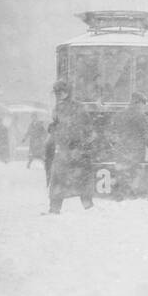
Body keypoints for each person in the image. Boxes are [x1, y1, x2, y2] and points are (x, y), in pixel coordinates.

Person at [47, 80, 94, 213]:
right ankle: (55, 208)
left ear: (68, 92)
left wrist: (80, 144)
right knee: (59, 181)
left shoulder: (78, 108)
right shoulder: (58, 108)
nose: (58, 95)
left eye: (60, 92)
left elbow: (87, 128)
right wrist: (53, 128)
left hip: (76, 149)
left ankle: (88, 208)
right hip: (65, 150)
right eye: (56, 93)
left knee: (78, 180)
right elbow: (57, 124)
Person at [111, 92, 148, 199]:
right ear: (138, 103)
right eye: (143, 104)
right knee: (134, 172)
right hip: (135, 149)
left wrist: (116, 144)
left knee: (121, 171)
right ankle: (131, 193)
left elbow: (112, 133)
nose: (143, 107)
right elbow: (146, 134)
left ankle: (119, 193)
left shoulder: (119, 114)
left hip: (121, 149)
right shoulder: (140, 116)